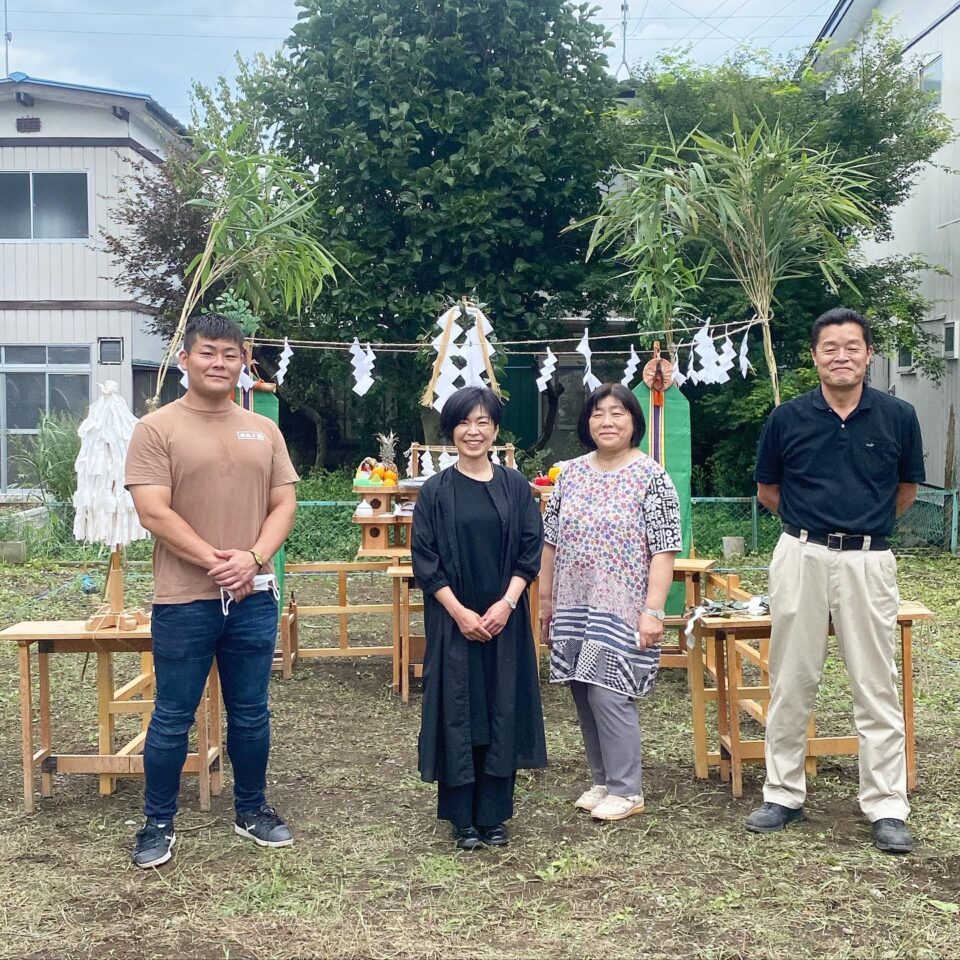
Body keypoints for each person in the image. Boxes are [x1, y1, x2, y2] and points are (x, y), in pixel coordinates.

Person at [746, 307, 924, 854]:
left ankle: (887, 804)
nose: (841, 356)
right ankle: (783, 792)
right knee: (791, 678)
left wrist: (859, 536)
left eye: (852, 346)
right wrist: (814, 535)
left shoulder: (897, 416)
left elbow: (906, 491)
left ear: (869, 354)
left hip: (869, 560)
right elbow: (768, 491)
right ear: (814, 356)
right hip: (801, 555)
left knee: (876, 684)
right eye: (830, 347)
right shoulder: (788, 418)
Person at [125, 313, 299, 869]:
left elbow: (283, 504)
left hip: (254, 595)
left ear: (244, 362)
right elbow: (153, 509)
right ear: (186, 360)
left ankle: (252, 809)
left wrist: (252, 559)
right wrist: (215, 562)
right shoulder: (158, 428)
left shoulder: (263, 430)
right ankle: (157, 822)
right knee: (173, 713)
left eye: (230, 354)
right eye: (208, 353)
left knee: (251, 711)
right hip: (184, 597)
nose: (219, 363)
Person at [411, 386, 546, 850]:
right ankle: (461, 818)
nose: (474, 431)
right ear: (451, 430)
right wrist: (460, 611)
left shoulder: (515, 486)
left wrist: (506, 605)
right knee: (459, 708)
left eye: (483, 422)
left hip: (504, 618)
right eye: (465, 422)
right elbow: (425, 562)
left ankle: (494, 815)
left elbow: (530, 552)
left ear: (495, 429)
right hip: (454, 620)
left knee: (502, 706)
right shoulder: (435, 491)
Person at [539, 383, 681, 822]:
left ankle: (628, 789)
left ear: (633, 421)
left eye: (617, 412)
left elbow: (665, 548)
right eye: (598, 413)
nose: (607, 421)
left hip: (624, 606)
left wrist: (653, 611)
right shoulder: (571, 473)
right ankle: (602, 780)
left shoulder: (651, 477)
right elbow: (550, 540)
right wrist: (546, 601)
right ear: (587, 423)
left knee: (608, 692)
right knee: (582, 691)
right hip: (573, 602)